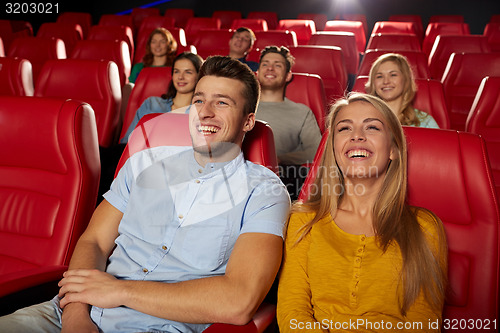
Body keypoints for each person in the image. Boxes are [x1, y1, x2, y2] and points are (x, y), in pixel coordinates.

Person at [0, 56, 291, 333]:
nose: (205, 111)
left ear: (248, 121)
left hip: (158, 324)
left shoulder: (265, 191)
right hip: (67, 313)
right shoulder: (144, 162)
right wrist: (75, 314)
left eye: (222, 102)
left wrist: (119, 290)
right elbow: (95, 242)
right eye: (199, 100)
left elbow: (238, 300)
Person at [277, 93, 448, 332]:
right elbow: (292, 314)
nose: (357, 136)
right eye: (344, 128)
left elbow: (424, 322)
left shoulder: (425, 226)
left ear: (393, 150)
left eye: (372, 127)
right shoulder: (303, 220)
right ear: (334, 150)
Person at [255, 45, 322, 166]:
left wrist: (279, 159)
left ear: (288, 75)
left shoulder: (302, 112)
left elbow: (316, 150)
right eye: (265, 64)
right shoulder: (242, 107)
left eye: (277, 65)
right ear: (257, 73)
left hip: (282, 176)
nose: (270, 68)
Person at [120, 52, 203, 144]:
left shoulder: (201, 111)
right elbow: (128, 141)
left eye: (188, 72)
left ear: (199, 76)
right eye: (176, 71)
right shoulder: (151, 103)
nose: (180, 77)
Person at [365, 53, 440, 128]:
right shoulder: (363, 119)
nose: (386, 81)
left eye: (393, 75)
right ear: (373, 83)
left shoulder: (425, 122)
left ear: (405, 80)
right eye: (379, 76)